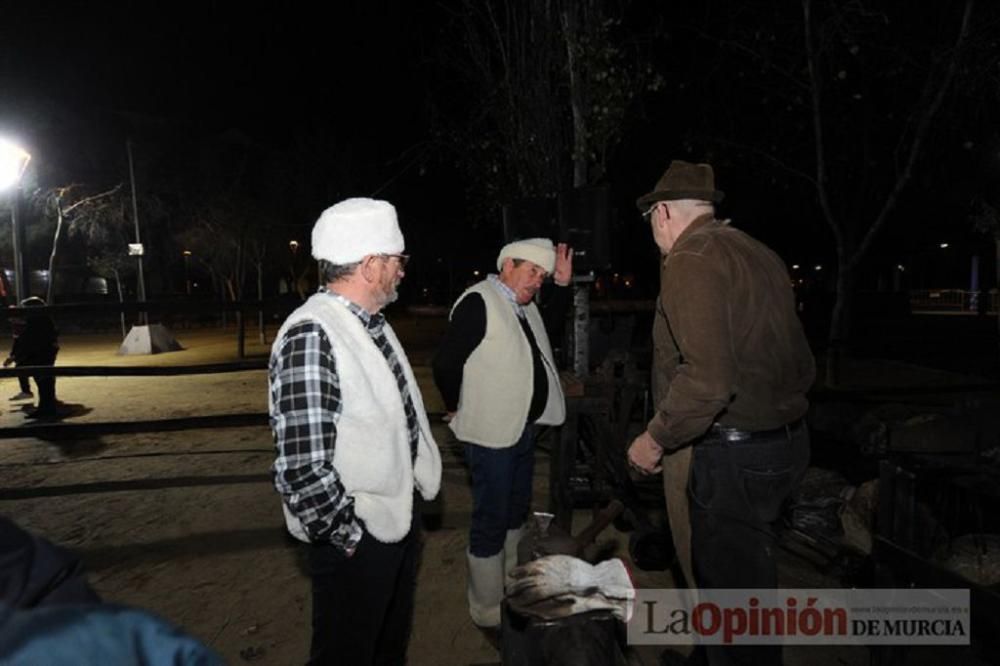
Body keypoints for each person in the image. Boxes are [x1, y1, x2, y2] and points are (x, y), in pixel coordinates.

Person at [626, 161, 815, 666]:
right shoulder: (758, 252)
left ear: (661, 212)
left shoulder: (691, 258)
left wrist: (656, 438)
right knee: (746, 580)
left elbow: (708, 380)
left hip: (735, 457)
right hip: (784, 443)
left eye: (650, 220)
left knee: (736, 603)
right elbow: (797, 360)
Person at [268, 197, 442, 666]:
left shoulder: (368, 325)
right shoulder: (313, 333)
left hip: (393, 524)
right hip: (358, 538)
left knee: (384, 650)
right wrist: (351, 538)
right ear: (370, 264)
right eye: (396, 260)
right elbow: (302, 468)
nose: (402, 269)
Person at [432, 238, 572, 633]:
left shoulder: (520, 305)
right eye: (533, 272)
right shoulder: (480, 302)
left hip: (520, 429)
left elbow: (551, 334)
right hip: (490, 434)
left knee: (515, 509)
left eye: (543, 277)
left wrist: (561, 286)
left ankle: (510, 581)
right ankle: (486, 605)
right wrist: (457, 405)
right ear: (507, 265)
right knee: (491, 517)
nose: (537, 282)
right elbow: (445, 362)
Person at [5, 296, 60, 418]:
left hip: (41, 354)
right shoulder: (41, 321)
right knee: (44, 381)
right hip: (43, 354)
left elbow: (28, 341)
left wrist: (17, 356)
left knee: (44, 381)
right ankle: (47, 407)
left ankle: (47, 409)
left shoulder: (37, 323)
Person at [5, 308, 33, 400]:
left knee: (22, 367)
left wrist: (13, 357)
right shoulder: (18, 326)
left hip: (33, 350)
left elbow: (24, 345)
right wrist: (12, 356)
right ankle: (26, 391)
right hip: (27, 350)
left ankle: (26, 391)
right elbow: (16, 343)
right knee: (21, 367)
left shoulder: (23, 326)